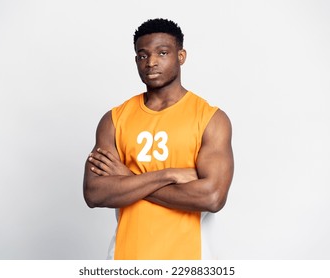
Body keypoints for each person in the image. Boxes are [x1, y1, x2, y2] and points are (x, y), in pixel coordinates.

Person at [83, 18, 234, 260]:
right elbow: (94, 193)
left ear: (181, 56)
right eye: (142, 56)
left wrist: (128, 178)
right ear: (136, 60)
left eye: (162, 53)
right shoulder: (114, 120)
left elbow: (212, 197)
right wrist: (169, 174)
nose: (151, 62)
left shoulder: (210, 119)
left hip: (190, 259)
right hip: (125, 257)